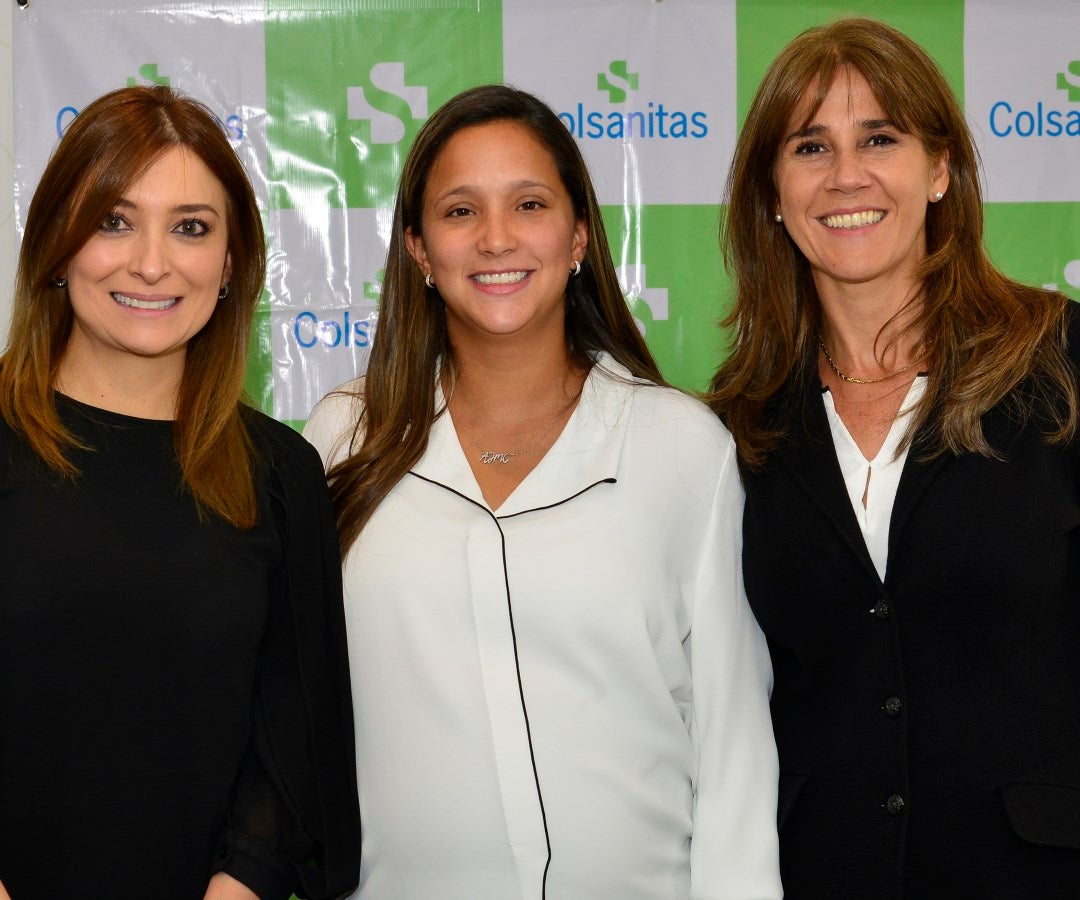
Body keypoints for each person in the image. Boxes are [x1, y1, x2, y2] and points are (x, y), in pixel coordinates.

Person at [302, 84, 780, 899]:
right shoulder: (344, 438)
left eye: (529, 204)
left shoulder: (680, 447)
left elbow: (732, 741)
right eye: (460, 211)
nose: (497, 238)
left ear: (579, 235)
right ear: (418, 248)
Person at [708, 16, 1080, 899]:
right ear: (773, 192)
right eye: (810, 147)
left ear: (940, 169)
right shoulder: (737, 426)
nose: (847, 175)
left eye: (880, 138)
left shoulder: (1061, 361)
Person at [0, 86, 361, 900]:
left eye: (191, 227)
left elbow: (294, 747)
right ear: (57, 242)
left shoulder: (281, 475)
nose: (152, 262)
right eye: (114, 221)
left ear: (231, 263)